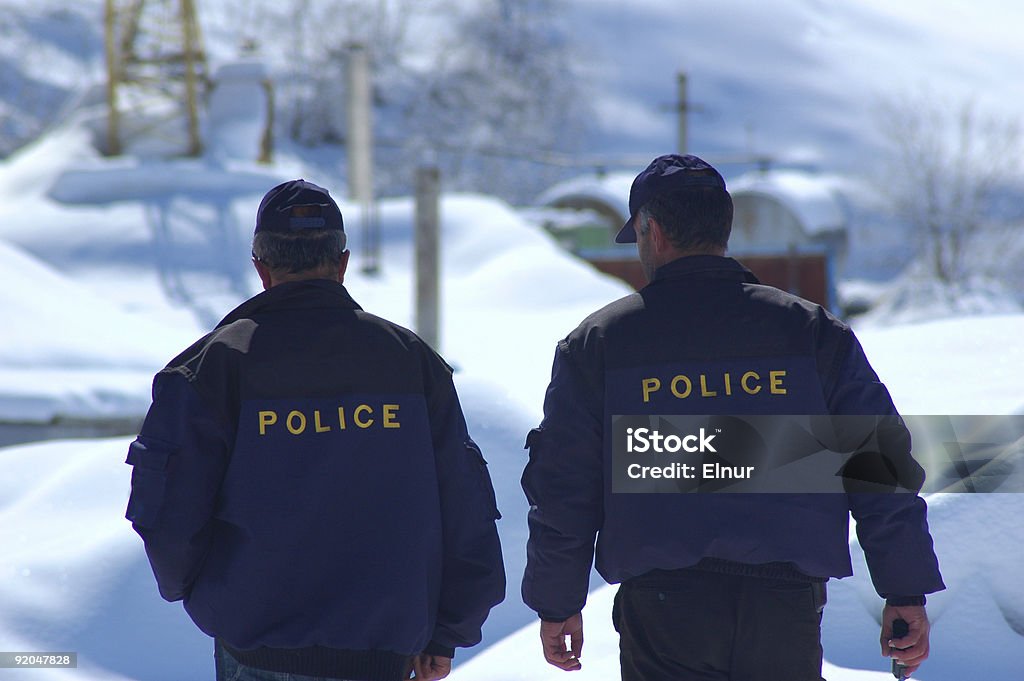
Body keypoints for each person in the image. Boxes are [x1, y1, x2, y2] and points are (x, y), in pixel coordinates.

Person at [521, 155, 944, 680]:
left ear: (652, 234)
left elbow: (565, 485)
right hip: (785, 609)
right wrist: (904, 589)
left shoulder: (601, 344)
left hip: (663, 614)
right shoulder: (811, 332)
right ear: (725, 229)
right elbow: (879, 464)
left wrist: (557, 602)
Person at [125, 179, 505, 681]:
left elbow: (171, 519)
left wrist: (215, 599)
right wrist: (445, 631)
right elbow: (465, 512)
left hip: (257, 651)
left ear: (260, 267)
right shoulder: (412, 363)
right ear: (342, 263)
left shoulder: (211, 368)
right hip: (383, 656)